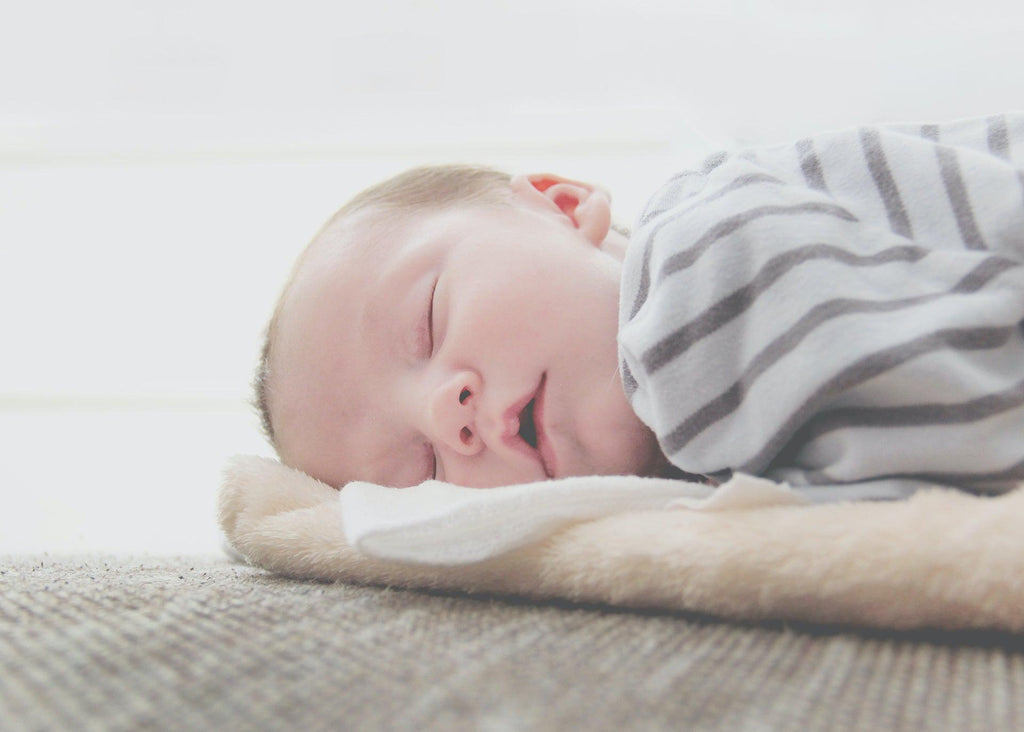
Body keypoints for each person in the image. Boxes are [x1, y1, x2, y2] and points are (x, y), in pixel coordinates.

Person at [255, 113, 1024, 500]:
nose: (443, 413)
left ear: (561, 205)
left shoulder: (690, 278)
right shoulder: (689, 457)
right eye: (420, 474)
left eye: (426, 318)